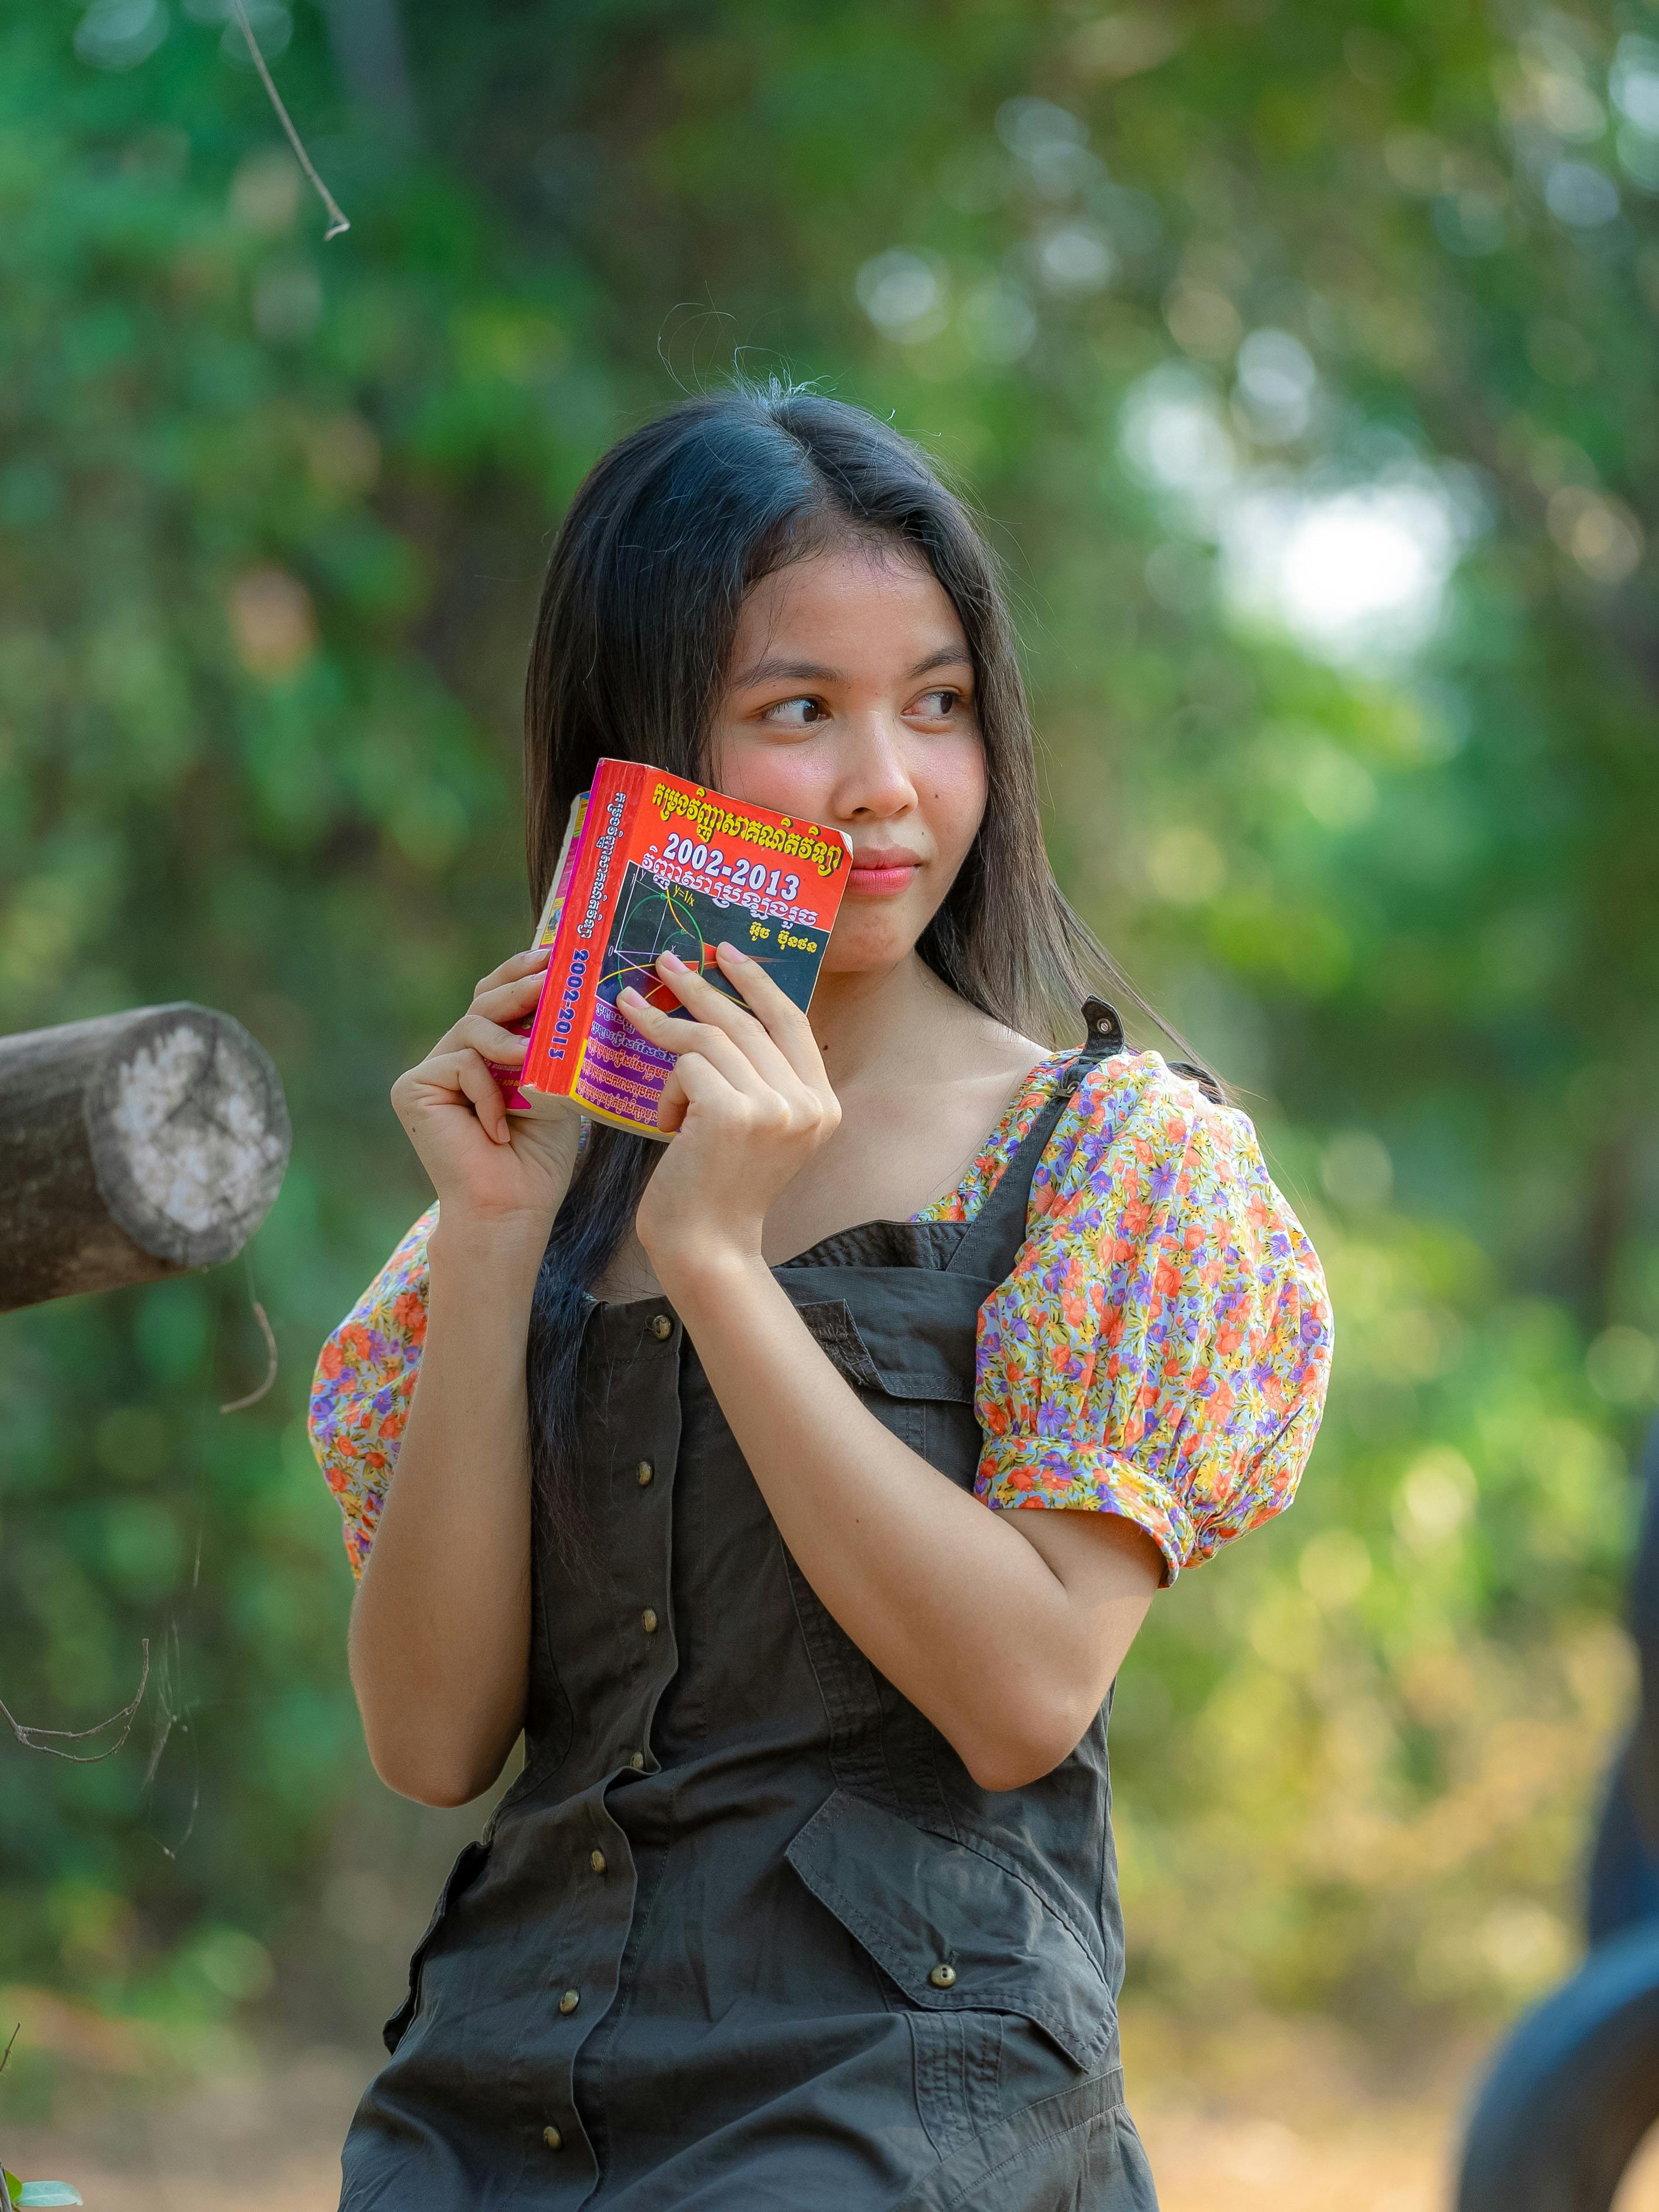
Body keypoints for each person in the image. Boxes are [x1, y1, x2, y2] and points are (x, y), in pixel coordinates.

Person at [309, 381, 1333, 2210]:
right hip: (493, 2097)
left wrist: (716, 1262)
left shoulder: (1106, 1167)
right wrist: (492, 1235)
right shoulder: (529, 1179)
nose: (887, 786)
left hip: (896, 2108)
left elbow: (1025, 1696)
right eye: (801, 711)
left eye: (938, 705)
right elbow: (433, 1739)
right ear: (642, 762)